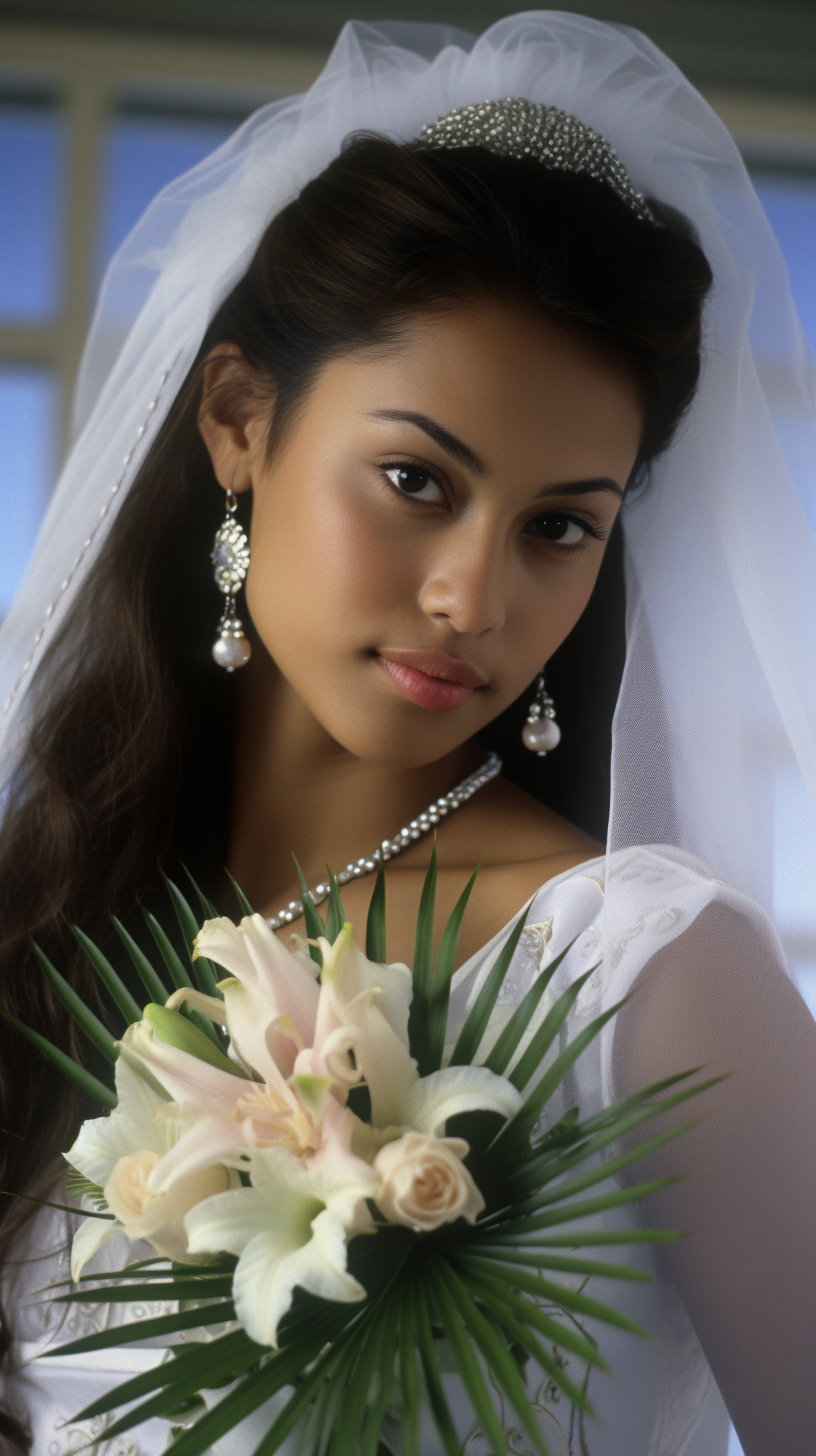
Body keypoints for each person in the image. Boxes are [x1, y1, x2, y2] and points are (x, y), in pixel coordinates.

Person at [1, 12, 815, 1456]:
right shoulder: (50, 907)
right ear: (239, 420)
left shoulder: (650, 979)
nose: (473, 599)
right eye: (416, 481)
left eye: (560, 526)